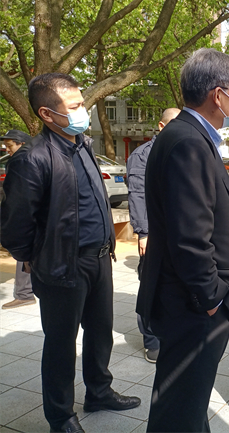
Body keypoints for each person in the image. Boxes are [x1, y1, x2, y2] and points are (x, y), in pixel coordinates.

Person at [1, 73, 141, 433]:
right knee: (61, 345)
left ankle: (99, 392)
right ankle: (61, 416)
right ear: (47, 114)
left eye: (83, 103)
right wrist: (37, 258)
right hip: (62, 266)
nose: (83, 111)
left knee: (100, 333)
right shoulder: (32, 158)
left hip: (100, 259)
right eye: (75, 106)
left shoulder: (82, 146)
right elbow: (15, 225)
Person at [136, 48, 229, 433]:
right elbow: (190, 238)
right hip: (192, 305)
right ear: (218, 95)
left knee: (187, 399)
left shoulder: (187, 135)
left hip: (189, 300)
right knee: (180, 408)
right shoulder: (188, 142)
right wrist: (213, 299)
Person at [126, 107, 180, 363]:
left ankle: (171, 335)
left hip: (179, 234)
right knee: (151, 288)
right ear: (161, 125)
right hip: (155, 234)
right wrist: (143, 232)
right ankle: (151, 340)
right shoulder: (143, 155)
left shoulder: (184, 149)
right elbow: (137, 194)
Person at [1, 129, 36, 309]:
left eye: (10, 145)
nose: (7, 149)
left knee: (24, 253)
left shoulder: (23, 162)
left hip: (28, 220)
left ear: (22, 144)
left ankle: (24, 294)